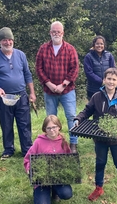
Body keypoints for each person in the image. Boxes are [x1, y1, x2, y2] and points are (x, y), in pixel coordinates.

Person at [74, 67, 117, 201]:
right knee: (100, 162)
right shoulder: (97, 97)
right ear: (104, 80)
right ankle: (98, 188)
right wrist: (78, 119)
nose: (111, 82)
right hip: (99, 137)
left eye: (114, 80)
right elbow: (87, 111)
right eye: (109, 79)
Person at [0, 27, 36, 160]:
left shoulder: (21, 55)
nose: (7, 43)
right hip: (4, 97)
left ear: (13, 40)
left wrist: (32, 93)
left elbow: (27, 74)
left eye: (9, 40)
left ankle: (27, 149)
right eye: (4, 40)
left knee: (24, 123)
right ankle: (8, 149)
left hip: (21, 95)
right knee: (6, 124)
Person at [35, 21, 79, 153]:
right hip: (49, 91)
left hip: (67, 91)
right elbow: (38, 68)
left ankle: (73, 144)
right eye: (54, 31)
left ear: (62, 33)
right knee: (50, 119)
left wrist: (63, 84)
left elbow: (75, 69)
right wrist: (49, 83)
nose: (56, 34)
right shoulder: (43, 49)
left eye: (58, 32)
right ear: (50, 33)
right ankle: (52, 144)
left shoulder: (70, 49)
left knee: (71, 117)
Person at [24, 115, 73, 204]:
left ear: (59, 127)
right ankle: (39, 192)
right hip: (41, 179)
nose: (52, 130)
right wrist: (29, 169)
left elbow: (69, 159)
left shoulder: (63, 141)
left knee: (67, 194)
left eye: (54, 127)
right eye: (48, 128)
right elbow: (27, 159)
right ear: (45, 129)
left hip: (58, 177)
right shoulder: (38, 142)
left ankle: (55, 192)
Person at [84, 35, 115, 100]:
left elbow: (113, 70)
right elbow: (89, 73)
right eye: (97, 44)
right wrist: (101, 81)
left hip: (108, 88)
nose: (99, 46)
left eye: (101, 44)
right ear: (94, 45)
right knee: (93, 109)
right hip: (93, 89)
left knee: (107, 108)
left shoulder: (109, 55)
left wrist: (108, 81)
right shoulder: (88, 57)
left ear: (104, 45)